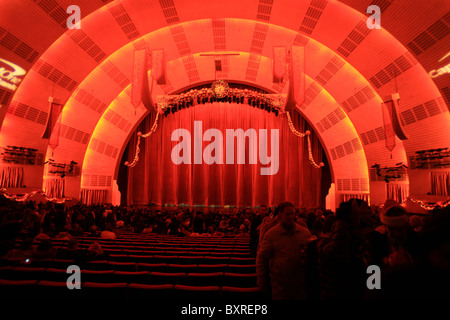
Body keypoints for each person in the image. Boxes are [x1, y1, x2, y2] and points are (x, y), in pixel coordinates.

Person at [256, 202, 313, 300]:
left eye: (292, 214)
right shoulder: (271, 235)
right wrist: (261, 280)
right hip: (280, 285)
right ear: (280, 215)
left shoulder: (304, 233)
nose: (290, 217)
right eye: (287, 214)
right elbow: (261, 258)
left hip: (300, 284)